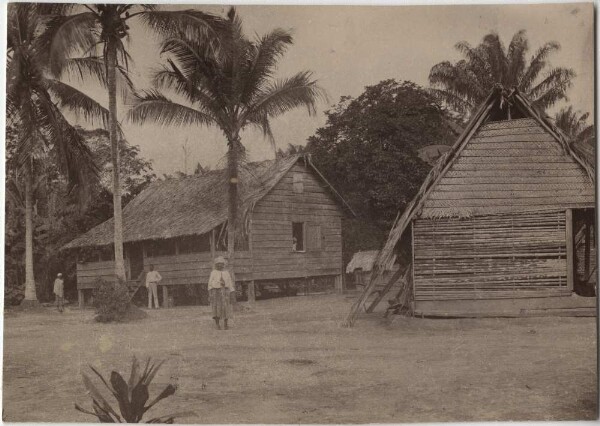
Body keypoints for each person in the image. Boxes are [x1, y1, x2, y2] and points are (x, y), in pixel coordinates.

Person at [207, 256, 234, 330]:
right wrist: (210, 294)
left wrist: (231, 293)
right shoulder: (213, 272)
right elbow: (209, 284)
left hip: (225, 291)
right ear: (216, 265)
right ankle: (217, 324)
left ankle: (225, 324)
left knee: (225, 307)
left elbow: (230, 283)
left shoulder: (226, 273)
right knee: (217, 307)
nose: (220, 265)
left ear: (224, 264)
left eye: (221, 264)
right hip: (216, 291)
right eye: (218, 264)